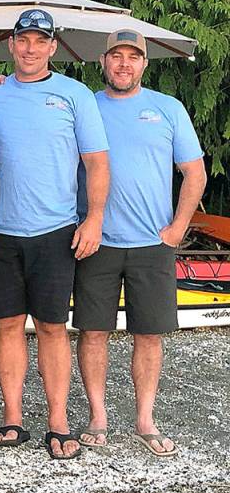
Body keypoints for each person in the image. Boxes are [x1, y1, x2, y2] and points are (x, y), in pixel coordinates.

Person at [0, 9, 110, 460]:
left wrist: (94, 219)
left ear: (53, 47)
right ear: (12, 45)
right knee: (7, 325)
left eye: (40, 41)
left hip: (55, 230)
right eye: (23, 40)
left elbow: (96, 162)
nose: (31, 48)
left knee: (53, 327)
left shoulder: (75, 95)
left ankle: (58, 421)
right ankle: (13, 418)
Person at [73, 30, 205, 456]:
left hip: (153, 243)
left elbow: (195, 173)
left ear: (144, 64)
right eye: (116, 56)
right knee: (93, 332)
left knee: (149, 334)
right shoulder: (85, 105)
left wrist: (178, 228)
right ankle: (98, 416)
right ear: (103, 62)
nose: (124, 64)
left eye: (133, 57)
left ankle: (145, 418)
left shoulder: (167, 109)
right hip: (97, 239)